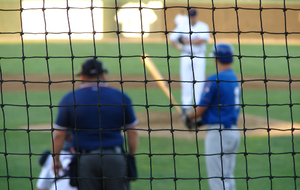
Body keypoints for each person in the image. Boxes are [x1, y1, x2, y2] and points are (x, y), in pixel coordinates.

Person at [52, 58, 139, 190]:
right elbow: (132, 132)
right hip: (115, 159)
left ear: (82, 76)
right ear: (103, 75)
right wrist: (131, 156)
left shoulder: (70, 99)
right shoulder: (121, 97)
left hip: (85, 161)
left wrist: (56, 159)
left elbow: (59, 134)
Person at [183, 42, 241, 190]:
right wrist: (200, 123)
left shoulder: (214, 79)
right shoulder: (234, 78)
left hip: (218, 136)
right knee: (228, 178)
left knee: (217, 182)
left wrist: (188, 117)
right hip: (233, 133)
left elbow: (200, 109)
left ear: (216, 59)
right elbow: (220, 108)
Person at [169, 8, 210, 114]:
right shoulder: (183, 25)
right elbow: (172, 38)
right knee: (186, 80)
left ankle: (197, 105)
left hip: (199, 56)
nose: (192, 18)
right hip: (186, 55)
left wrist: (187, 41)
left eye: (193, 16)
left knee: (199, 81)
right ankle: (186, 106)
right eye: (190, 16)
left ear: (196, 16)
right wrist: (178, 46)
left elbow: (203, 39)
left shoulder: (203, 26)